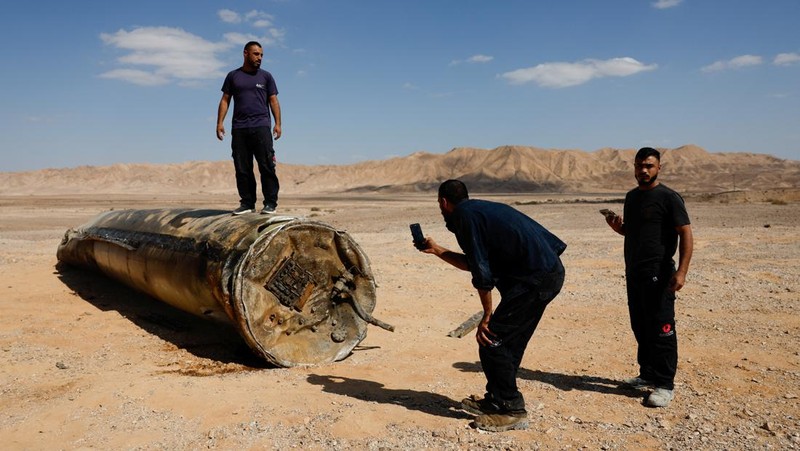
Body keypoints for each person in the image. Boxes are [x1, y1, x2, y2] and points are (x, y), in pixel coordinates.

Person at [417, 179, 566, 432]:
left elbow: (482, 274)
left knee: (491, 339)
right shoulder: (481, 209)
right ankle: (497, 399)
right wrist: (437, 250)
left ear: (443, 202)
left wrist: (487, 314)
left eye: (439, 205)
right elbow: (475, 262)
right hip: (543, 273)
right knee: (509, 341)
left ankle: (513, 410)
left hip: (534, 280)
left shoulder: (465, 218)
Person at [605, 147, 693, 408]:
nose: (643, 170)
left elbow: (686, 233)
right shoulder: (631, 197)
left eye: (649, 166)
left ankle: (665, 384)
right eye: (639, 165)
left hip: (660, 273)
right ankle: (647, 375)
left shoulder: (668, 197)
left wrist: (682, 272)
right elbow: (634, 232)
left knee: (662, 328)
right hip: (635, 272)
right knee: (640, 325)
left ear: (658, 168)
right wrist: (619, 229)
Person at [216, 41, 282, 215]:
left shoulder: (266, 77)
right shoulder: (233, 76)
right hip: (239, 128)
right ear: (245, 53)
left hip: (261, 126)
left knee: (266, 165)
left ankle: (270, 203)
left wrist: (278, 124)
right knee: (242, 167)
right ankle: (247, 203)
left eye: (261, 55)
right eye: (256, 54)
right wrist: (219, 123)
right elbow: (225, 100)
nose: (259, 58)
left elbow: (273, 101)